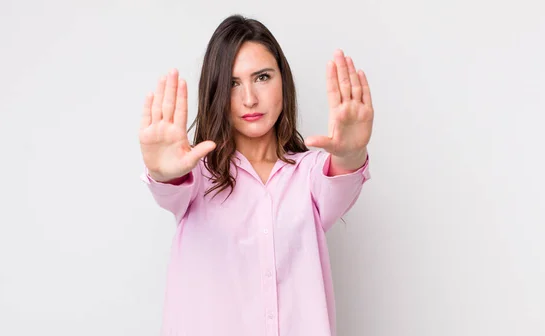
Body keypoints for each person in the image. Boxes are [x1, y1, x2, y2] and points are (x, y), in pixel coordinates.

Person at [138, 14, 374, 336]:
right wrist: (162, 174)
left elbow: (341, 179)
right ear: (216, 93)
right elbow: (171, 188)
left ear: (283, 81)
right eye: (233, 83)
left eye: (262, 77)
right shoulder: (196, 176)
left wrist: (350, 153)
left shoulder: (310, 174)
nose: (249, 98)